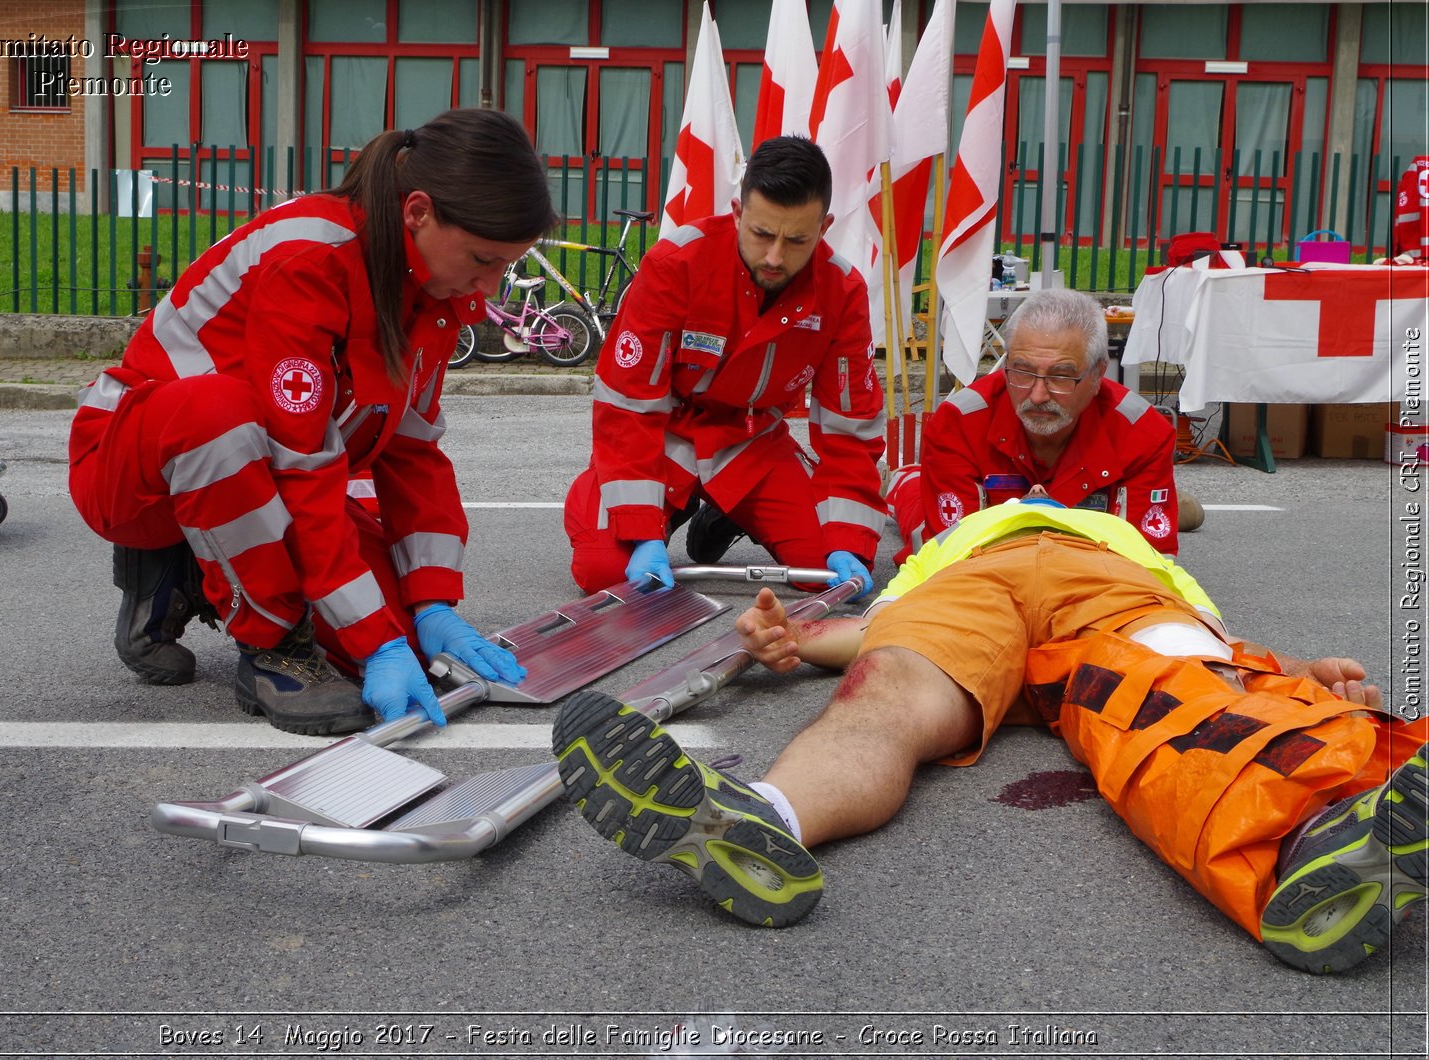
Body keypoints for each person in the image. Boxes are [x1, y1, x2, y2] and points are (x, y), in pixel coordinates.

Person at [551, 494, 1428, 974]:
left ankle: (1327, 833)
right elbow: (855, 640)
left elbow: (1188, 531)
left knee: (1186, 695)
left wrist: (1292, 684)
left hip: (1111, 589)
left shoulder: (1121, 529)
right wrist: (789, 641)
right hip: (979, 588)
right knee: (883, 688)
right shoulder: (948, 540)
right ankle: (758, 822)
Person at [68, 109, 554, 736]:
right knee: (220, 415)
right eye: (483, 259)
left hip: (252, 472)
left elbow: (412, 453)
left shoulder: (429, 294)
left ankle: (195, 566)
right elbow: (301, 464)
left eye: (505, 267)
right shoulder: (309, 259)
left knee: (406, 637)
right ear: (418, 213)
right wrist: (371, 637)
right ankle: (271, 648)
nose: (489, 289)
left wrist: (432, 602)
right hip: (134, 468)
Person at [563, 136, 886, 598]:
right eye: (761, 233)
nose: (775, 256)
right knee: (604, 572)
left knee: (830, 571)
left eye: (796, 239)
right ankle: (612, 499)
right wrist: (640, 530)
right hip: (667, 439)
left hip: (753, 444)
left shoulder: (843, 290)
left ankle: (728, 508)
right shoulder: (676, 264)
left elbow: (849, 427)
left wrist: (849, 541)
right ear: (737, 212)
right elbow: (628, 404)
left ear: (824, 226)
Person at [887, 288, 1183, 565]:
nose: (1038, 395)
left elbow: (1152, 563)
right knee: (917, 516)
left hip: (1068, 567)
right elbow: (948, 556)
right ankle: (904, 481)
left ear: (1097, 376)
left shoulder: (1144, 433)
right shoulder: (959, 422)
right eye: (1023, 372)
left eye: (1061, 377)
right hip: (992, 558)